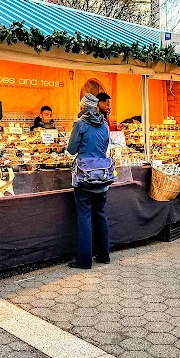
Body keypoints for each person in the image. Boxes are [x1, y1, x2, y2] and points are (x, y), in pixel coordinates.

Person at [66, 93, 111, 269]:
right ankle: (104, 255)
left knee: (84, 216)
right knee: (100, 214)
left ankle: (84, 261)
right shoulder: (105, 125)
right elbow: (105, 147)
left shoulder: (80, 124)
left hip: (84, 175)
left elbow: (71, 149)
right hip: (102, 174)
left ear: (84, 107)